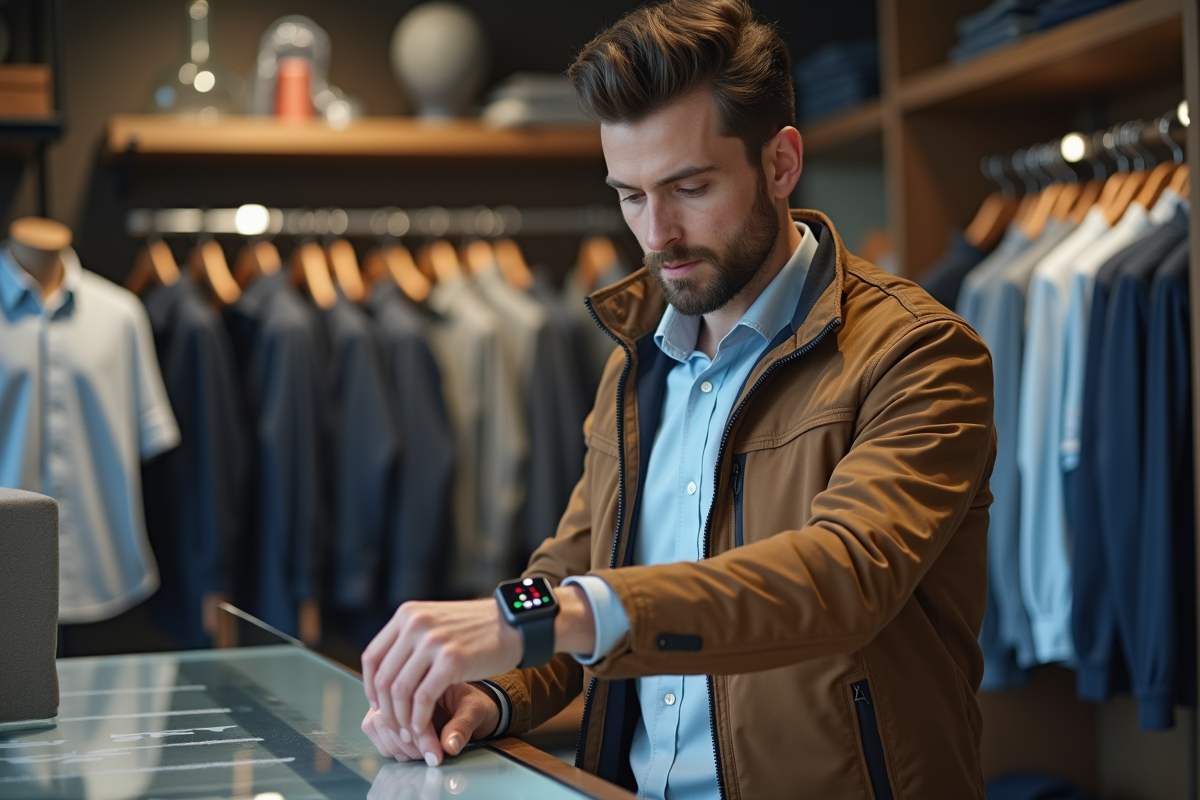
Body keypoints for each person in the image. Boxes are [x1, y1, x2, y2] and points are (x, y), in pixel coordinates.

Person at [361, 0, 997, 797]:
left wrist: (550, 616)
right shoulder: (636, 360)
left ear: (781, 164)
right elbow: (571, 568)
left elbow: (839, 578)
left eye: (689, 187)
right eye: (630, 195)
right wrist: (493, 687)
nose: (656, 234)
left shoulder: (919, 353)